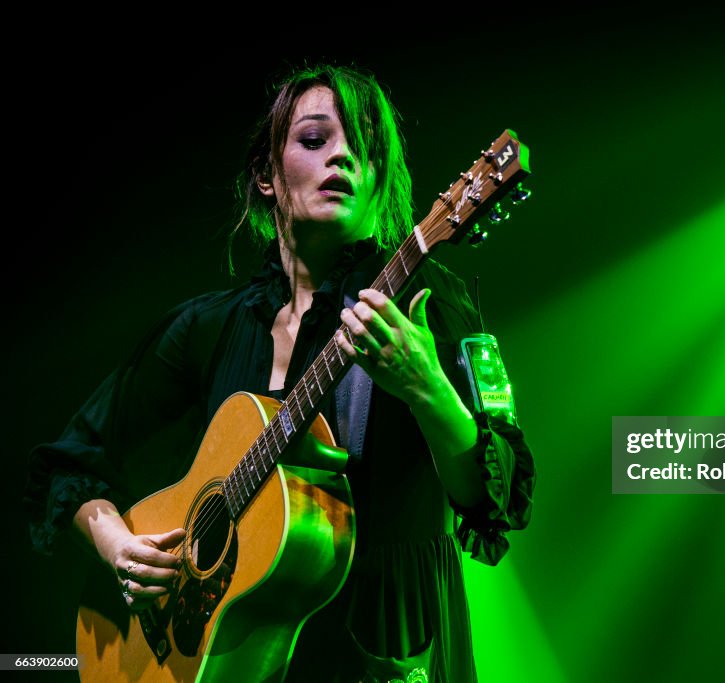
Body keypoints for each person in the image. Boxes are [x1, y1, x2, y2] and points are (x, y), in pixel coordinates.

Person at [23, 62, 535, 683]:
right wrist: (118, 549)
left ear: (381, 179)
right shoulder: (211, 325)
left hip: (381, 653)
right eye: (316, 141)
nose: (342, 158)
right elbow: (71, 461)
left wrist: (427, 390)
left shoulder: (428, 303)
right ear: (266, 175)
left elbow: (500, 493)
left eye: (364, 148)